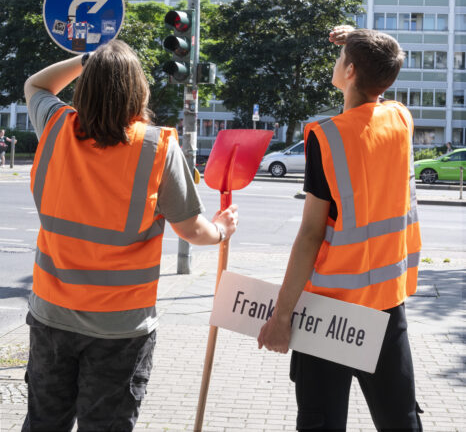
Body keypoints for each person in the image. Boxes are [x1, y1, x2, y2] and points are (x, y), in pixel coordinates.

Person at [22, 40, 238, 432]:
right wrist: (222, 231)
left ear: (84, 87)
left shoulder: (55, 128)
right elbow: (191, 229)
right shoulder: (156, 147)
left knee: (44, 423)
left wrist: (88, 58)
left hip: (52, 315)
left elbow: (36, 86)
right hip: (120, 328)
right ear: (138, 90)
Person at [258, 26, 423, 431]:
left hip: (329, 313)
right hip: (385, 304)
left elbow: (311, 235)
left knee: (321, 423)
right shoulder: (401, 119)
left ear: (349, 71)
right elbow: (378, 77)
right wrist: (360, 38)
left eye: (341, 58)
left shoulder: (327, 138)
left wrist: (281, 316)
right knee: (400, 421)